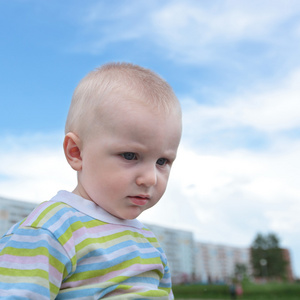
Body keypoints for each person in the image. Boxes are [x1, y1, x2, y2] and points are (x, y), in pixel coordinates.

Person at [0, 62, 182, 299]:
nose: (150, 178)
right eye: (130, 156)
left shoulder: (149, 242)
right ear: (76, 152)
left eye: (162, 161)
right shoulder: (52, 229)